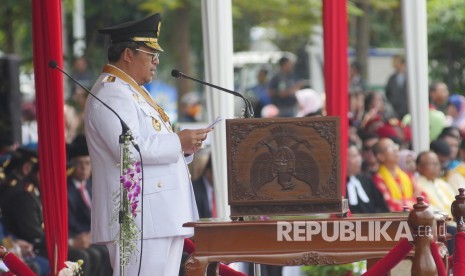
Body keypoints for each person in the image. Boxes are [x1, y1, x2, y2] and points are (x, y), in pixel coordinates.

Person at [84, 13, 212, 275]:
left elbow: (150, 143)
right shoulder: (112, 92)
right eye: (150, 53)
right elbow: (128, 149)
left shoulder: (130, 91)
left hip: (158, 217)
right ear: (128, 54)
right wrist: (178, 141)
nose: (156, 61)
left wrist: (185, 147)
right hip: (139, 218)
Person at [66, 134, 112, 275]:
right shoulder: (67, 190)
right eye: (79, 163)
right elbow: (71, 221)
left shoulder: (94, 185)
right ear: (72, 165)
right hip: (80, 236)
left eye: (87, 163)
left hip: (96, 235)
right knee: (98, 254)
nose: (83, 168)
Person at [385, 55, 408, 120]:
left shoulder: (410, 77)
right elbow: (388, 93)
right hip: (395, 111)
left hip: (408, 110)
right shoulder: (392, 78)